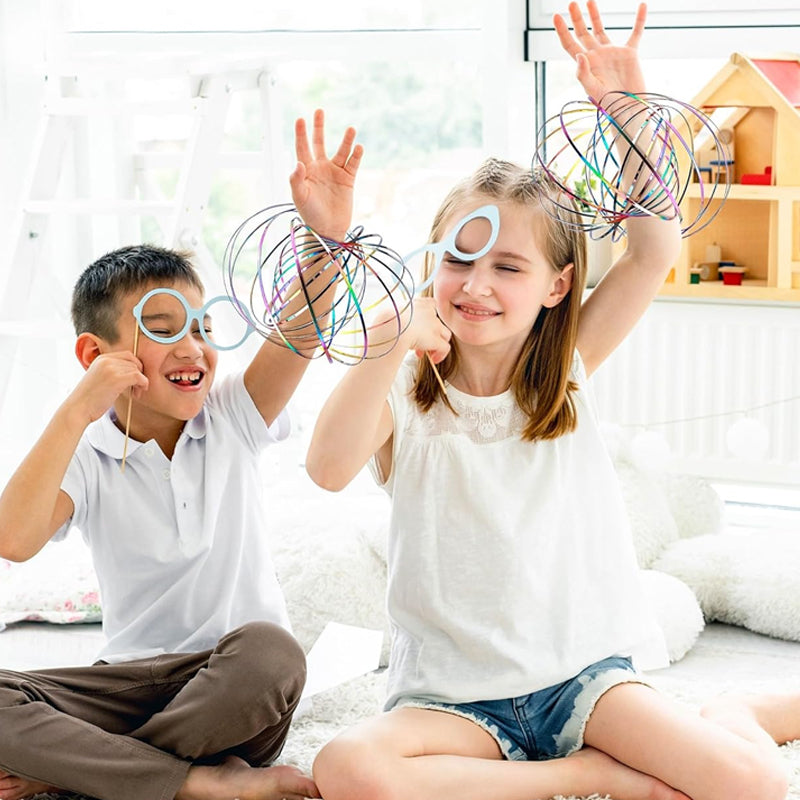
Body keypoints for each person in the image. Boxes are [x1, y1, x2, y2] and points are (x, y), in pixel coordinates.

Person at [304, 4, 797, 800]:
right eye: (459, 259)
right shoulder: (402, 385)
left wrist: (627, 112)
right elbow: (327, 469)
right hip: (451, 702)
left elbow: (654, 250)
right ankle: (581, 776)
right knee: (346, 768)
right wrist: (391, 336)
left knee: (754, 786)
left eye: (508, 267)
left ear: (556, 285)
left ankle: (730, 710)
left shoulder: (566, 367)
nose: (477, 285)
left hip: (583, 678)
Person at [0, 109, 362, 800]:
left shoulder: (231, 416)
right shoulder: (85, 450)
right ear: (94, 354)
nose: (193, 346)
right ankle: (198, 786)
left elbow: (299, 335)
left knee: (273, 651)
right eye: (164, 330)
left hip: (234, 688)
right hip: (131, 680)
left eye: (202, 326)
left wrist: (329, 241)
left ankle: (90, 778)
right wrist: (78, 407)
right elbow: (13, 539)